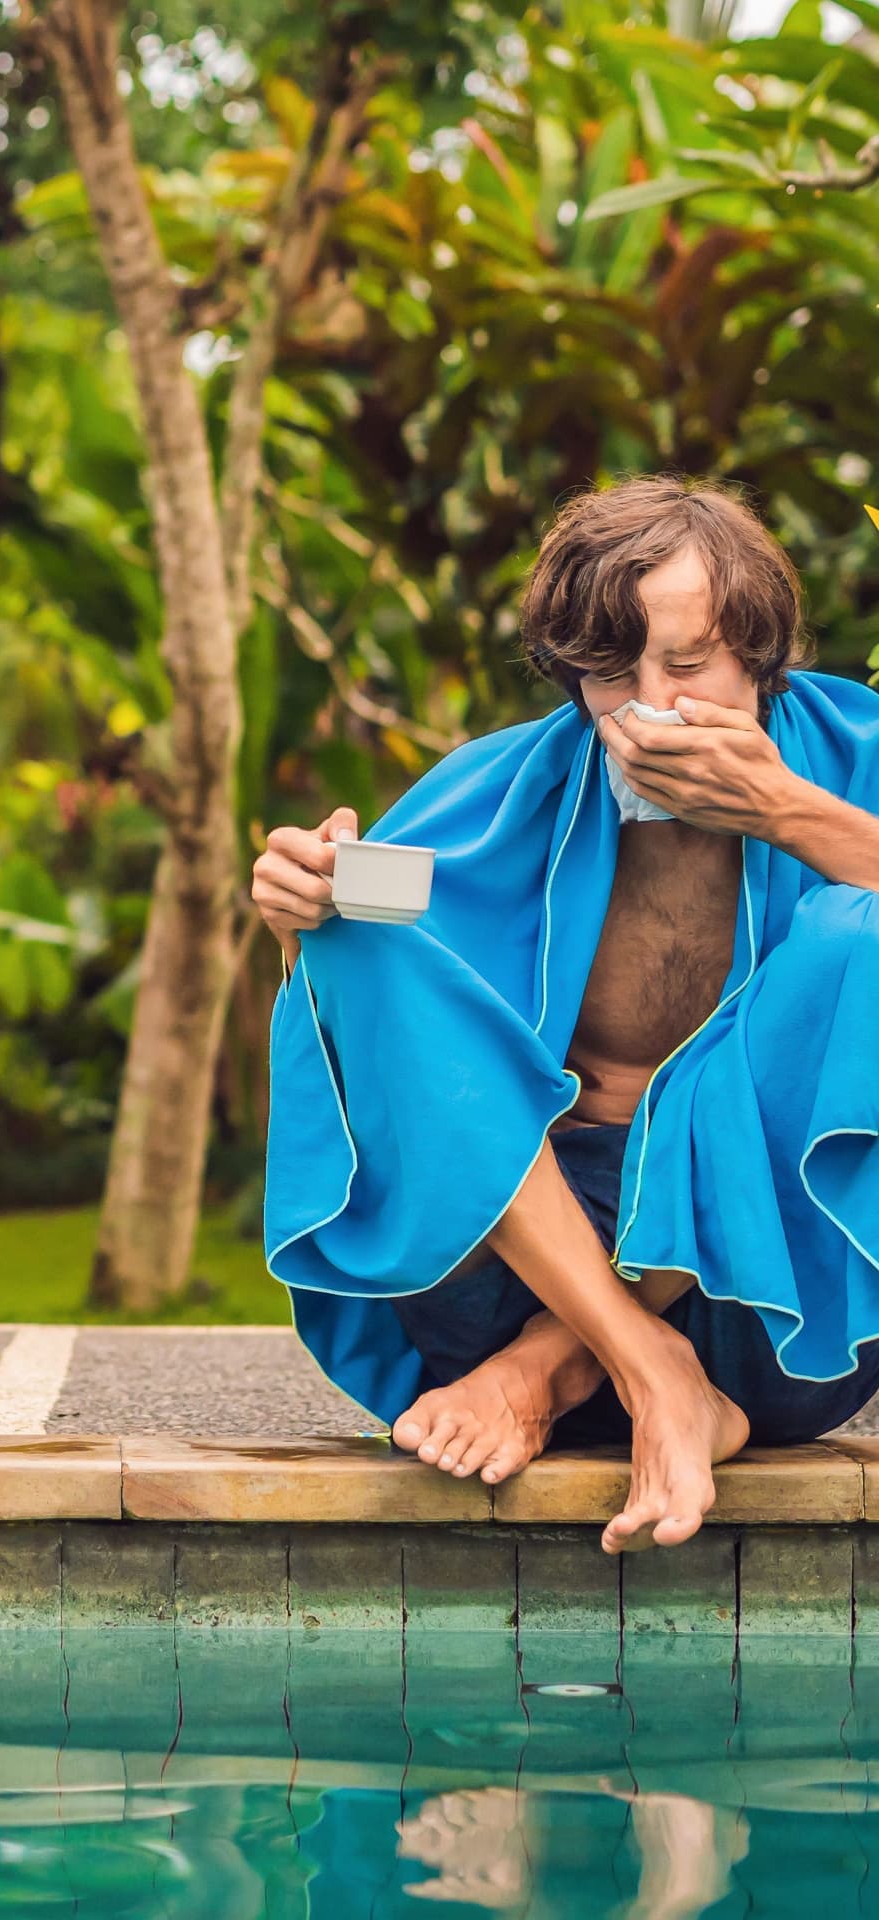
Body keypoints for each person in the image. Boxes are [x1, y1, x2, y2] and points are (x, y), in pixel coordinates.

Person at [253, 474, 879, 1553]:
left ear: (761, 653)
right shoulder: (496, 789)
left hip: (770, 1311)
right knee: (356, 931)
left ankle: (562, 1364)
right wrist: (298, 914)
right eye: (606, 673)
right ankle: (646, 1369)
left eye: (687, 666)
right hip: (499, 1277)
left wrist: (788, 812)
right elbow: (367, 1051)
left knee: (857, 937)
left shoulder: (854, 757)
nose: (647, 705)